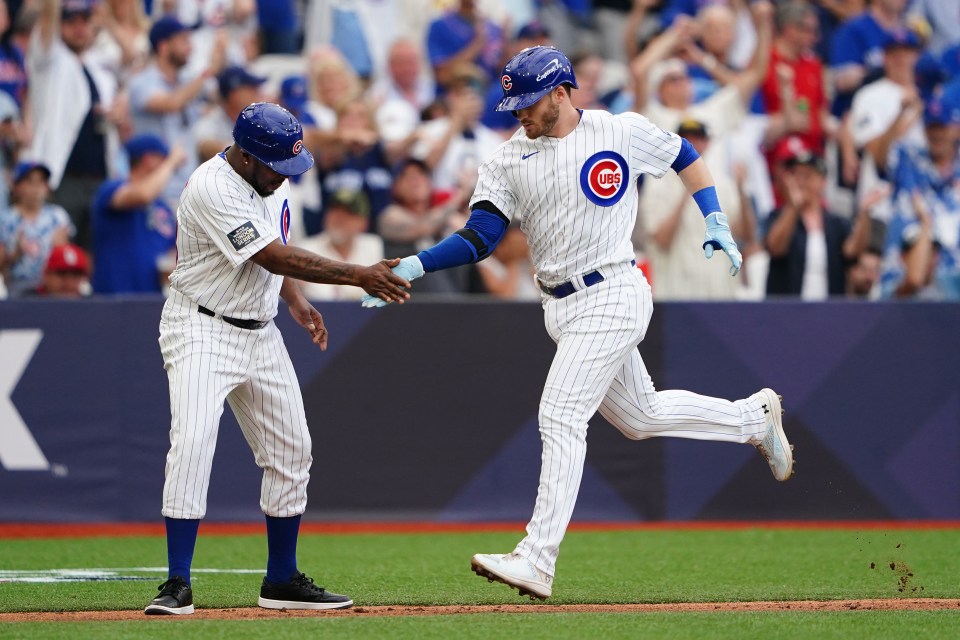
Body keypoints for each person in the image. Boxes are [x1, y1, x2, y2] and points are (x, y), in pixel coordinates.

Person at [362, 46, 794, 600]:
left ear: (561, 93)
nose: (518, 112)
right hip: (560, 306)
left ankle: (537, 559)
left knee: (560, 413)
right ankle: (752, 420)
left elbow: (684, 152)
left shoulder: (619, 130)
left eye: (528, 101)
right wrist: (418, 264)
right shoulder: (506, 159)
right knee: (641, 416)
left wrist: (714, 215)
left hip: (614, 288)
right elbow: (480, 237)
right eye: (513, 102)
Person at [144, 102, 411, 616]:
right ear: (245, 155)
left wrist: (294, 299)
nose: (283, 176)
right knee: (194, 442)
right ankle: (176, 581)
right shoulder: (211, 187)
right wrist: (358, 274)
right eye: (274, 166)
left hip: (259, 328)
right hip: (202, 325)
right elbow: (269, 254)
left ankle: (281, 579)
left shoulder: (272, 178)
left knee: (293, 450)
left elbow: (276, 246)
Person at [26, 0, 119, 251]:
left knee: (92, 255)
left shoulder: (99, 68)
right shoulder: (50, 59)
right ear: (60, 25)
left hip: (100, 176)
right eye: (70, 21)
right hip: (64, 177)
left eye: (84, 21)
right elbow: (47, 20)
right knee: (60, 253)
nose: (78, 28)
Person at [764, 152, 873, 298]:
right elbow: (775, 248)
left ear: (822, 181)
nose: (801, 182)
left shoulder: (836, 224)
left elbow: (853, 251)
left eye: (807, 176)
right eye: (796, 175)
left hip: (827, 311)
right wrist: (793, 207)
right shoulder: (778, 217)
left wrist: (865, 213)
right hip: (787, 311)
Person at [91, 133, 185, 294]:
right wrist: (171, 163)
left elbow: (172, 251)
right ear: (148, 159)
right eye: (162, 159)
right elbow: (142, 195)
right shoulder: (112, 188)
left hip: (152, 301)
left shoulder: (163, 206)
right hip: (112, 299)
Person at [0, 162, 73, 297]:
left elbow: (68, 257)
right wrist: (16, 254)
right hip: (18, 285)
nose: (36, 189)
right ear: (17, 186)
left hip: (52, 287)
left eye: (41, 182)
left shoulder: (57, 216)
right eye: (30, 182)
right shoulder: (5, 219)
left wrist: (60, 249)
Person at [296, 189, 384, 300]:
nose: (340, 218)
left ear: (364, 222)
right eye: (335, 211)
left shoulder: (375, 246)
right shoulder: (304, 249)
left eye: (349, 213)